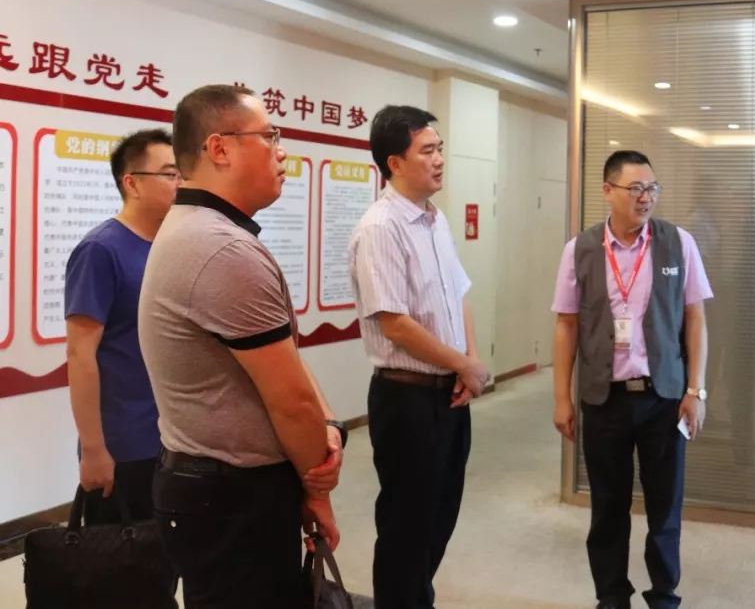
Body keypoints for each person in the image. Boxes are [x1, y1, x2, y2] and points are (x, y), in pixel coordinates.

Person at [139, 84, 345, 609]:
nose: (282, 152)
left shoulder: (202, 231)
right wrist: (317, 486)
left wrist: (326, 427)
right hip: (230, 497)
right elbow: (290, 400)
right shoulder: (222, 249)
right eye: (269, 136)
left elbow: (285, 363)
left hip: (215, 490)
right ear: (220, 148)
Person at [551, 150, 713, 609]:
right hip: (605, 400)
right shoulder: (580, 249)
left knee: (665, 509)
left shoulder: (678, 242)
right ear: (608, 191)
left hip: (664, 398)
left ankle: (663, 597)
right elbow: (566, 324)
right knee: (607, 509)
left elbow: (695, 318)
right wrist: (562, 397)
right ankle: (611, 598)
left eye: (652, 188)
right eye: (636, 188)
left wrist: (695, 390)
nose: (646, 198)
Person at [348, 104, 490, 609]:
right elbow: (395, 323)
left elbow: (458, 293)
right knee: (406, 529)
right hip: (406, 401)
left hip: (447, 396)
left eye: (440, 149)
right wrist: (463, 364)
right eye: (427, 151)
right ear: (395, 163)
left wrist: (468, 360)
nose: (439, 159)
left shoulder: (434, 219)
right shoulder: (381, 227)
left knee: (438, 519)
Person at [65, 128, 181, 525]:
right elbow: (80, 353)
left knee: (167, 554)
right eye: (169, 174)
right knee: (122, 556)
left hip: (173, 437)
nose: (179, 183)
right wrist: (94, 449)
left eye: (181, 174)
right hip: (125, 446)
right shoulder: (100, 250)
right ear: (131, 183)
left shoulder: (171, 245)